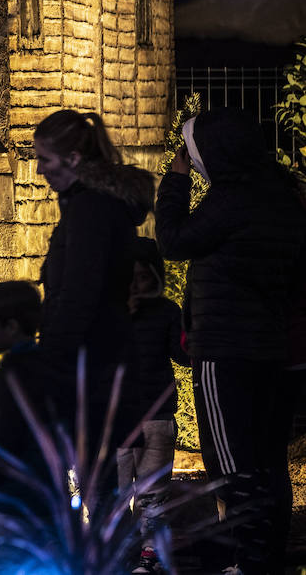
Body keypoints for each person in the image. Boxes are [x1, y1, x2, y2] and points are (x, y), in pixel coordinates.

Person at [156, 108, 306, 575]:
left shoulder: (233, 197)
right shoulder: (281, 196)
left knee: (231, 465)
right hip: (271, 351)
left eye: (194, 150)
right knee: (268, 463)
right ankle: (265, 558)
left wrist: (176, 181)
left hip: (226, 352)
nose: (192, 159)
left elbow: (174, 240)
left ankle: (253, 561)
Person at [33, 109, 155, 469]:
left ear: (73, 159)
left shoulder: (90, 208)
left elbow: (79, 293)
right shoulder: (90, 205)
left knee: (98, 485)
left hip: (92, 367)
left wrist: (50, 361)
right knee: (97, 483)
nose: (39, 170)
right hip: (98, 361)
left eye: (44, 159)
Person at [117, 237, 188, 575]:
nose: (135, 285)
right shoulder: (110, 313)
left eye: (143, 277)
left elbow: (182, 354)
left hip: (156, 417)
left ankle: (150, 556)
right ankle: (117, 551)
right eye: (129, 277)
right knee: (114, 492)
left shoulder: (167, 311)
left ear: (155, 277)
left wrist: (194, 323)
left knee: (153, 494)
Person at [0, 280, 63, 521]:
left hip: (14, 492)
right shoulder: (48, 367)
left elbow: (4, 435)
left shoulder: (12, 375)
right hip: (47, 489)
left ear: (11, 326)